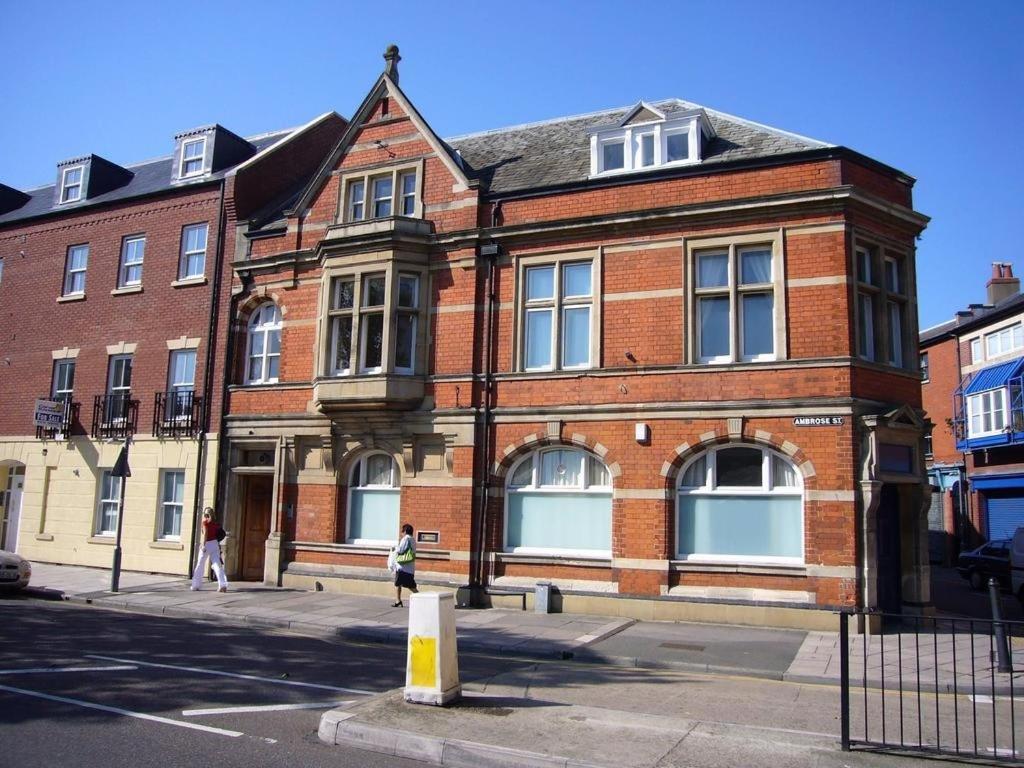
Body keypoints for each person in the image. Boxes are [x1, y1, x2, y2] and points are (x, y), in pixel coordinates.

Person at [191, 507, 229, 593]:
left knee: (200, 564)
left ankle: (195, 585)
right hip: (215, 544)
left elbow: (205, 534)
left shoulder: (205, 523)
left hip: (207, 544)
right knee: (217, 565)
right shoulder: (216, 523)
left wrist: (203, 545)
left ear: (205, 514)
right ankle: (222, 584)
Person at [392, 523, 418, 607]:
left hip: (403, 567)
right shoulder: (413, 539)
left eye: (402, 531)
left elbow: (400, 550)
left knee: (409, 585)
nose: (401, 533)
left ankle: (422, 598)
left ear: (406, 531)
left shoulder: (406, 538)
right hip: (409, 567)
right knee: (400, 584)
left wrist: (395, 548)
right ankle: (398, 600)